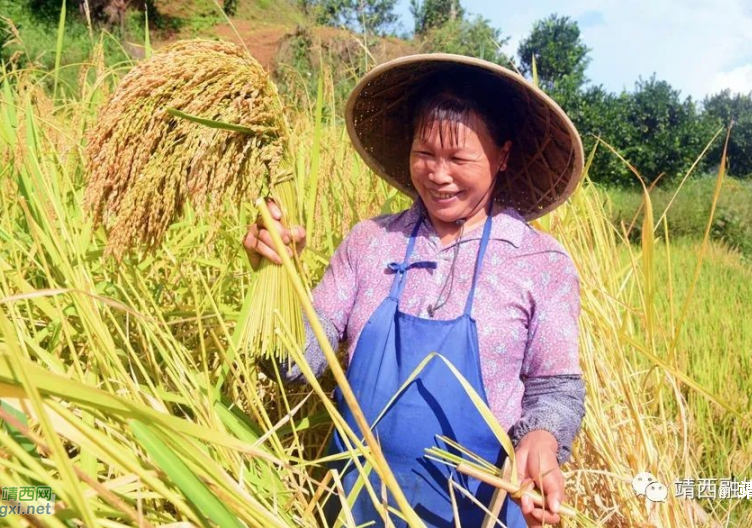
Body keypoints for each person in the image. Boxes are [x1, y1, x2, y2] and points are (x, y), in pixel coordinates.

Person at [243, 54, 586, 527]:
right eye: (425, 154)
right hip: (356, 506)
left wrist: (541, 438)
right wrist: (275, 279)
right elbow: (293, 365)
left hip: (478, 511)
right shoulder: (370, 243)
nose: (438, 174)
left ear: (502, 155)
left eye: (459, 158)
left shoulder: (537, 263)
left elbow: (556, 389)